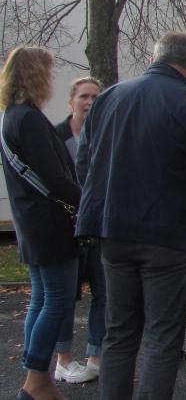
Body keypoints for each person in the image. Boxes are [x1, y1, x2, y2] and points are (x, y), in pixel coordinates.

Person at [75, 32, 186, 400]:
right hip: (168, 234)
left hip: (113, 231)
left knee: (119, 332)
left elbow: (85, 162)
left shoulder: (108, 99)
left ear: (155, 58)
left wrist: (103, 203)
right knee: (162, 335)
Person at [0, 46, 81, 400]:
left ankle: (37, 378)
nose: (50, 79)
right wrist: (89, 202)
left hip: (31, 223)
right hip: (50, 224)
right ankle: (35, 381)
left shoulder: (12, 116)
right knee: (57, 300)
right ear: (35, 75)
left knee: (42, 299)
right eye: (47, 72)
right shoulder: (29, 119)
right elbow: (55, 178)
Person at [52, 77, 104, 384]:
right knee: (65, 297)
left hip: (98, 227)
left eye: (96, 97)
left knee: (104, 293)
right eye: (84, 96)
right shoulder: (56, 137)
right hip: (66, 228)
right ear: (71, 100)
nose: (90, 102)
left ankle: (95, 358)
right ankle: (64, 359)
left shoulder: (105, 134)